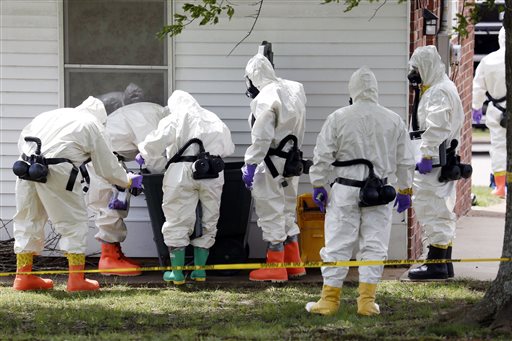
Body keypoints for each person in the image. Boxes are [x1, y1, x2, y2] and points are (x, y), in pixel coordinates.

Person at [304, 66, 415, 316]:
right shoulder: (392, 119)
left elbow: (322, 155)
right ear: (375, 90)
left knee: (337, 245)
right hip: (381, 193)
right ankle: (367, 302)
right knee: (374, 245)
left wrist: (318, 184)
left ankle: (329, 301)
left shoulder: (338, 117)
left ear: (352, 90)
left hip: (345, 190)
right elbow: (406, 159)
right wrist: (406, 188)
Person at [12, 96, 143, 292]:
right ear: (101, 119)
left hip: (25, 167)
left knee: (27, 220)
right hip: (58, 170)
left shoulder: (51, 115)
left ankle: (23, 278)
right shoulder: (92, 125)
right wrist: (127, 180)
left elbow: (23, 139)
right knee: (74, 223)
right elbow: (107, 167)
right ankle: (76, 281)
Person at [136, 90, 234, 285]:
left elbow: (154, 143)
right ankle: (200, 272)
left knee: (177, 219)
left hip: (181, 171)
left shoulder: (175, 118)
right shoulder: (213, 119)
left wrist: (146, 154)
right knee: (209, 220)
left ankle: (177, 273)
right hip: (213, 172)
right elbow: (228, 148)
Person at [241, 52, 308, 282]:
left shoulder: (265, 98)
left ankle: (276, 267)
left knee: (270, 210)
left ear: (252, 77)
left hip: (270, 162)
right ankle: (294, 264)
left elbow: (262, 136)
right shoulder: (293, 89)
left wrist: (250, 163)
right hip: (292, 161)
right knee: (287, 210)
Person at [86, 102, 169, 276]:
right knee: (111, 203)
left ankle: (114, 254)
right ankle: (109, 259)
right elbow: (152, 154)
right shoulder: (151, 117)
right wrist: (164, 178)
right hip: (103, 157)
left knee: (117, 201)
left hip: (109, 156)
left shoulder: (153, 112)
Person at [407, 46, 465, 280]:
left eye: (416, 69)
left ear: (426, 67)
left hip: (435, 162)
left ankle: (436, 265)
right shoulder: (437, 88)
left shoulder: (438, 92)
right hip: (441, 161)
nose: (414, 75)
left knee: (431, 207)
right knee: (440, 207)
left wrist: (426, 155)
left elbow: (437, 126)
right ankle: (444, 261)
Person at [472, 27, 506, 198]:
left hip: (498, 112)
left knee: (499, 147)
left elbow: (478, 87)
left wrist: (476, 107)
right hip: (499, 111)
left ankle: (501, 187)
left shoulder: (489, 61)